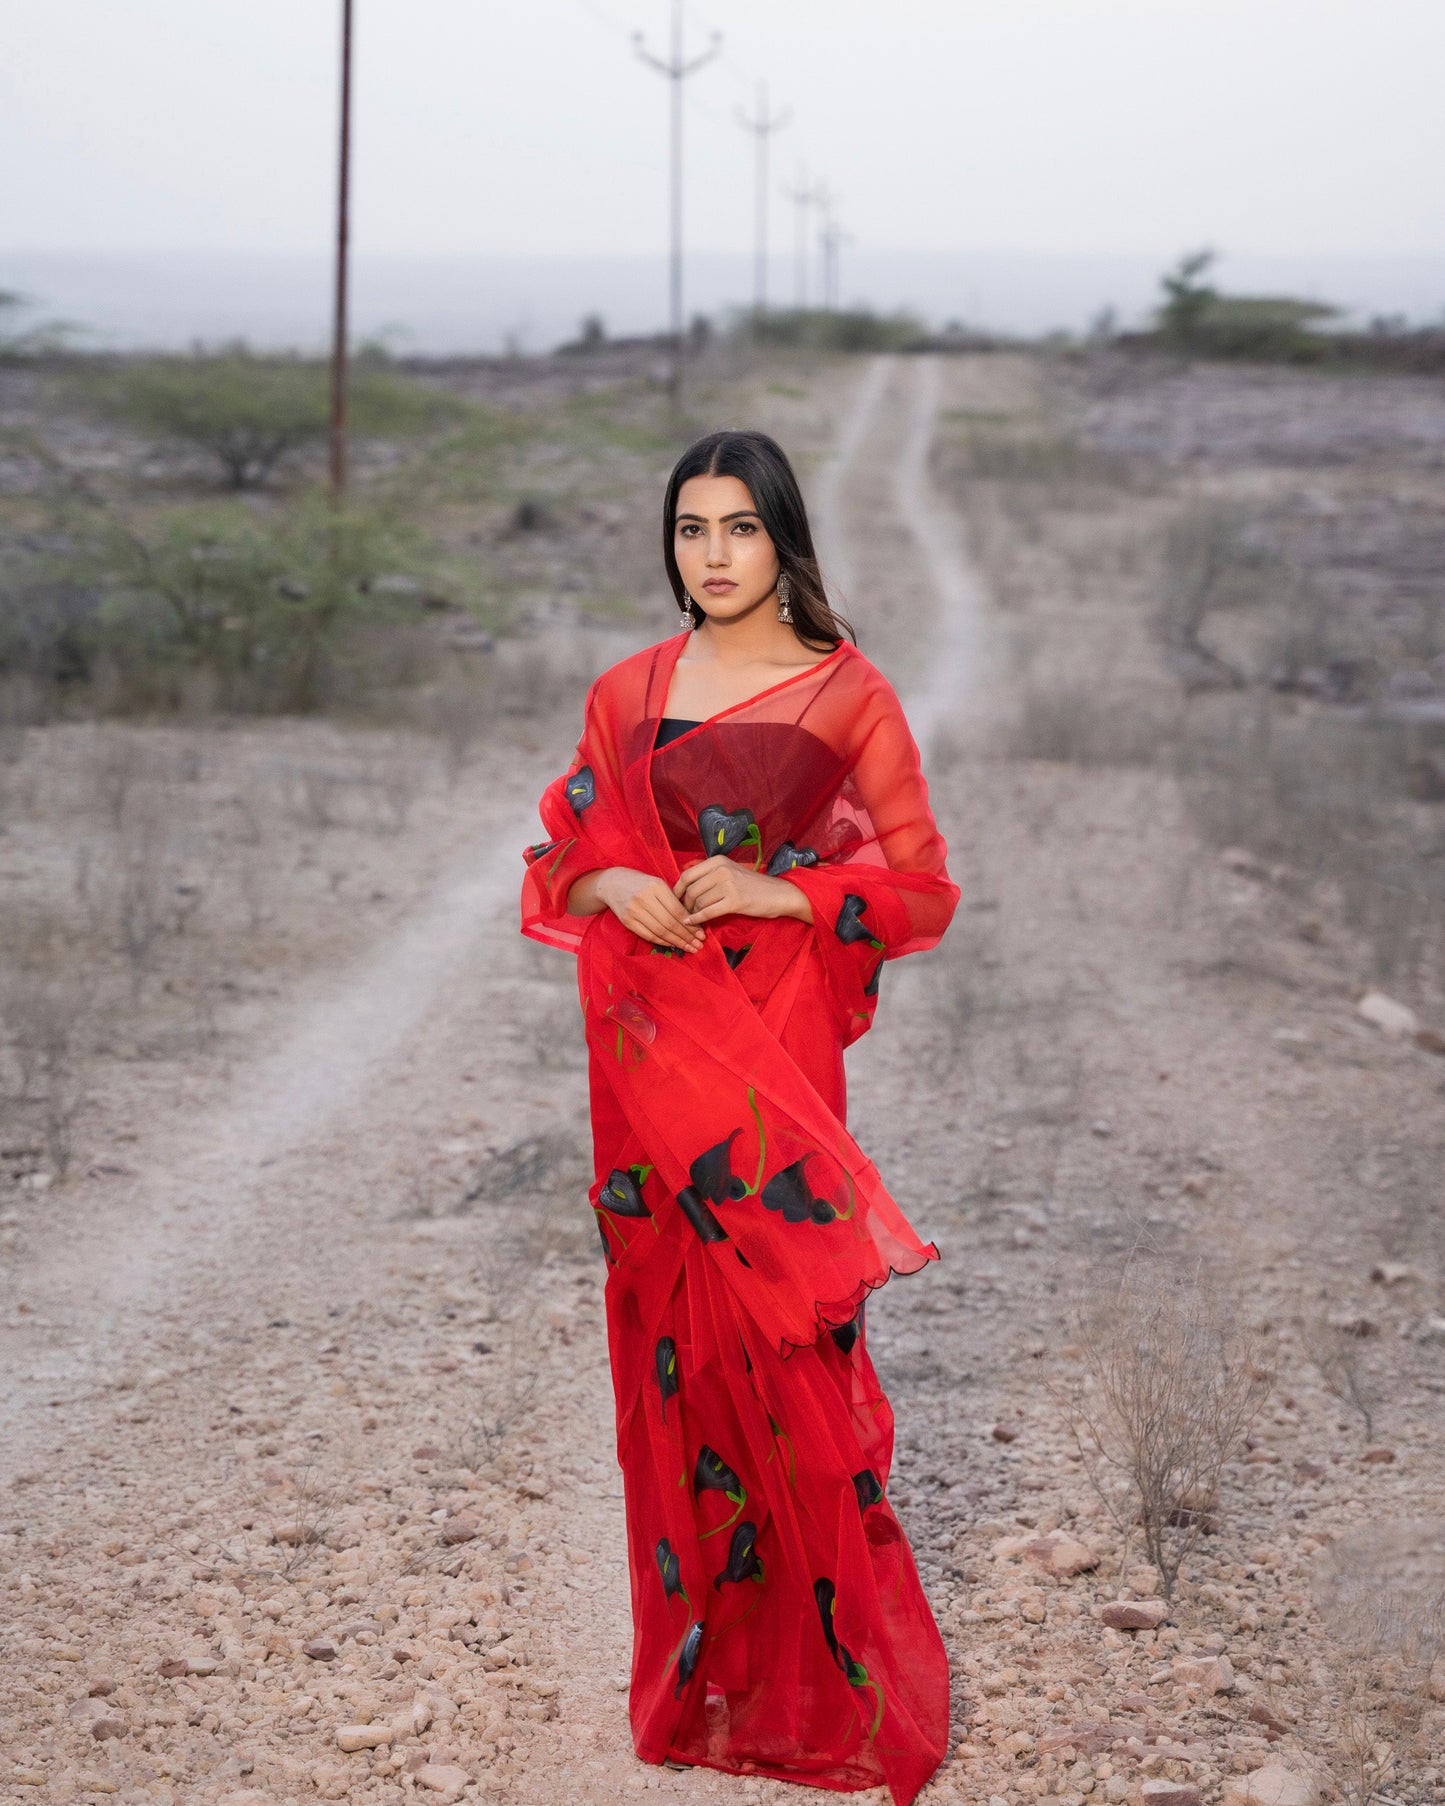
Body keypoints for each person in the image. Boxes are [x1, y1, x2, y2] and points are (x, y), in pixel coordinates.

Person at [519, 428, 959, 1805]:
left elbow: (922, 886)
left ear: (784, 538)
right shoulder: (628, 689)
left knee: (788, 1334)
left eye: (738, 529)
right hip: (649, 1062)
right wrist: (605, 893)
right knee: (675, 1360)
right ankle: (704, 1674)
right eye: (689, 529)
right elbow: (562, 848)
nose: (710, 556)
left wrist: (793, 895)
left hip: (771, 1056)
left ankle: (832, 1685)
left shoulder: (847, 693)